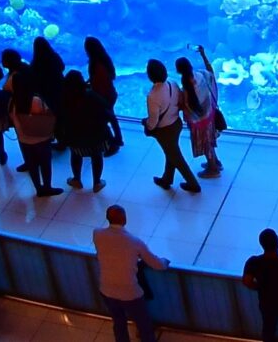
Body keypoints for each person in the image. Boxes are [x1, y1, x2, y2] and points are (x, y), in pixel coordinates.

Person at [91, 204, 168, 342]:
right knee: (143, 324)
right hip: (130, 292)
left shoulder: (97, 234)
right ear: (124, 219)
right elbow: (156, 264)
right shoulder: (134, 242)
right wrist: (164, 262)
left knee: (119, 323)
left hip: (106, 289)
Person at [141, 58, 201, 193]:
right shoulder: (172, 84)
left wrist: (147, 125)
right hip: (176, 124)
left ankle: (193, 184)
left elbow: (153, 121)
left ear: (150, 76)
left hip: (165, 131)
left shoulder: (152, 96)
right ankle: (166, 179)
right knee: (171, 152)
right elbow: (180, 102)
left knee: (176, 157)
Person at [178, 51, 225, 179]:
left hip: (199, 123)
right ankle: (215, 161)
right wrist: (203, 55)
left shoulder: (186, 90)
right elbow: (211, 73)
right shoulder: (201, 75)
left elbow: (185, 107)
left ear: (179, 71)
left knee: (206, 144)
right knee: (209, 141)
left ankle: (213, 169)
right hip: (209, 117)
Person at [14, 93, 60, 198]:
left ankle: (38, 188)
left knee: (32, 166)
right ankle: (47, 187)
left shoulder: (15, 102)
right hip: (42, 138)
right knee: (45, 164)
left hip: (24, 139)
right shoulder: (36, 100)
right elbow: (48, 115)